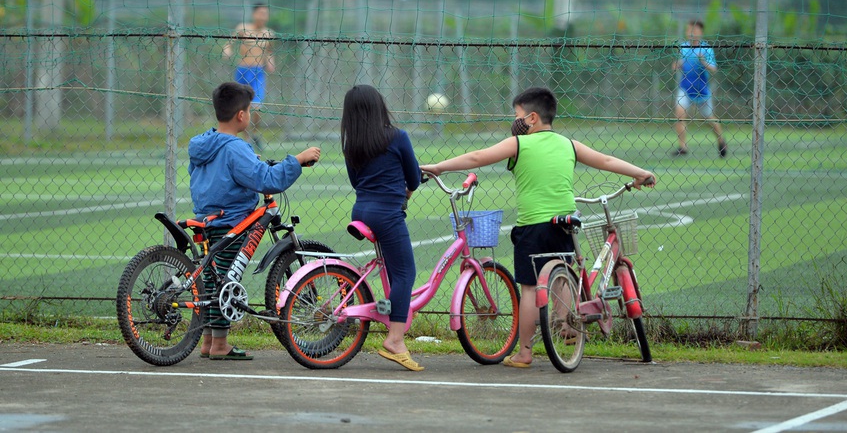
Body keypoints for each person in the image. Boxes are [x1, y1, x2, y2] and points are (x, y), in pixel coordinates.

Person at [420, 86, 655, 369]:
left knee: (530, 288)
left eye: (517, 115)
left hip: (532, 226)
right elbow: (604, 161)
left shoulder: (519, 144)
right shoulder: (569, 144)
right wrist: (639, 173)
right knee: (563, 273)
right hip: (564, 223)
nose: (514, 121)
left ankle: (525, 353)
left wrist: (438, 167)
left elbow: (477, 157)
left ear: (531, 118)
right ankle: (567, 325)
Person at [189, 81, 321, 360]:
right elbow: (267, 180)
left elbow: (220, 173)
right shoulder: (236, 147)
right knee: (226, 279)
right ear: (241, 115)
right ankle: (221, 345)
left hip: (208, 217)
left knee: (212, 282)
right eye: (249, 110)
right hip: (232, 221)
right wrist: (297, 160)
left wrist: (252, 160)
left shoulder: (204, 143)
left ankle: (209, 341)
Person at [341, 84, 424, 371]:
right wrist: (405, 190)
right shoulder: (397, 137)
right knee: (405, 272)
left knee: (391, 268)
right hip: (387, 213)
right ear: (380, 107)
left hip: (361, 209)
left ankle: (386, 308)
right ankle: (395, 339)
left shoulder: (351, 143)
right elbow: (414, 179)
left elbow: (355, 182)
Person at [223, 2, 276, 151]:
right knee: (242, 107)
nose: (263, 16)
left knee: (257, 108)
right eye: (260, 13)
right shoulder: (243, 28)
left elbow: (270, 53)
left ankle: (254, 133)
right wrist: (227, 50)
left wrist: (271, 62)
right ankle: (248, 138)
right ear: (254, 14)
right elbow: (229, 43)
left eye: (266, 13)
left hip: (259, 73)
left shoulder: (269, 33)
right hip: (243, 71)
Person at [672, 20, 728, 158]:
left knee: (709, 119)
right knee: (679, 114)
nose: (691, 33)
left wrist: (703, 62)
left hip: (702, 90)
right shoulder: (683, 47)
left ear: (700, 32)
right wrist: (677, 65)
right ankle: (682, 146)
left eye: (694, 30)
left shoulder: (706, 49)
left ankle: (721, 141)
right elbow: (679, 64)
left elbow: (714, 68)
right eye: (689, 30)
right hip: (685, 87)